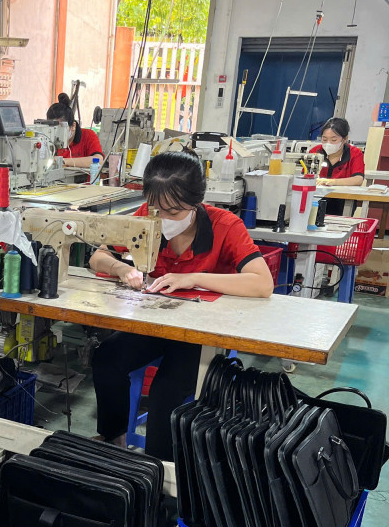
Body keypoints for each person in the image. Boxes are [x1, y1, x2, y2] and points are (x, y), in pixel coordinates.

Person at [88, 150, 274, 461]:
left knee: (166, 390)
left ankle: (158, 468)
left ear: (196, 202)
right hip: (158, 322)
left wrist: (194, 278)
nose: (163, 219)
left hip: (203, 333)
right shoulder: (146, 218)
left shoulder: (225, 226)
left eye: (173, 212)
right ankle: (114, 441)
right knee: (106, 358)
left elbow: (262, 283)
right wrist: (121, 268)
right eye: (156, 209)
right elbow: (98, 256)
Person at [309, 117, 365, 217]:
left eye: (333, 140)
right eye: (324, 139)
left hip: (343, 201)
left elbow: (358, 179)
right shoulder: (315, 152)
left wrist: (332, 182)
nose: (328, 143)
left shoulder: (355, 153)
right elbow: (305, 175)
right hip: (315, 198)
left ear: (345, 139)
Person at [46, 92, 103, 169]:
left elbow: (99, 160)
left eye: (60, 129)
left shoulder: (88, 135)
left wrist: (63, 161)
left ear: (73, 126)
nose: (56, 134)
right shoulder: (47, 138)